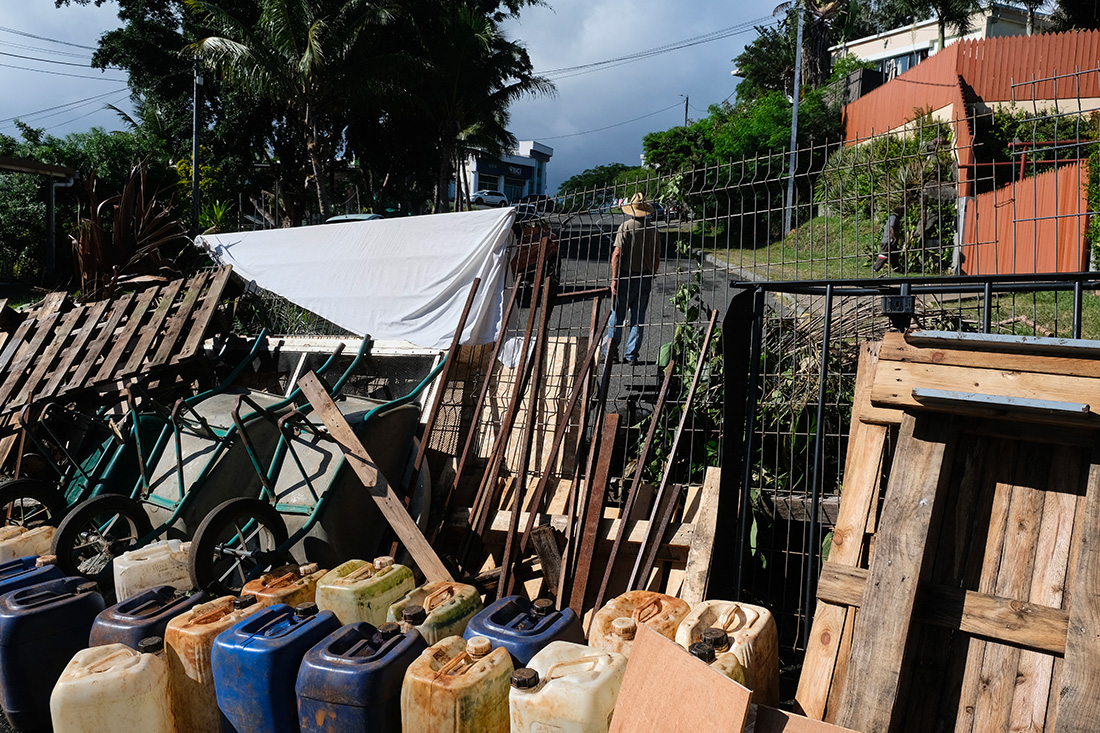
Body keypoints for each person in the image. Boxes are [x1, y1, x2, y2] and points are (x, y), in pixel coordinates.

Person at [606, 192, 660, 364]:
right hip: (645, 276)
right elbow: (657, 256)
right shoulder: (653, 229)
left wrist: (614, 278)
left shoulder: (626, 227)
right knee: (638, 317)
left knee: (617, 314)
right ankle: (631, 354)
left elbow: (617, 254)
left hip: (626, 275)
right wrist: (652, 273)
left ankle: (611, 352)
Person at [873, 206, 903, 272]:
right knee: (884, 254)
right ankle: (875, 268)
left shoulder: (895, 218)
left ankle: (897, 268)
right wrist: (894, 237)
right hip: (888, 240)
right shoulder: (893, 218)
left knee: (894, 254)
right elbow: (891, 228)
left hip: (890, 240)